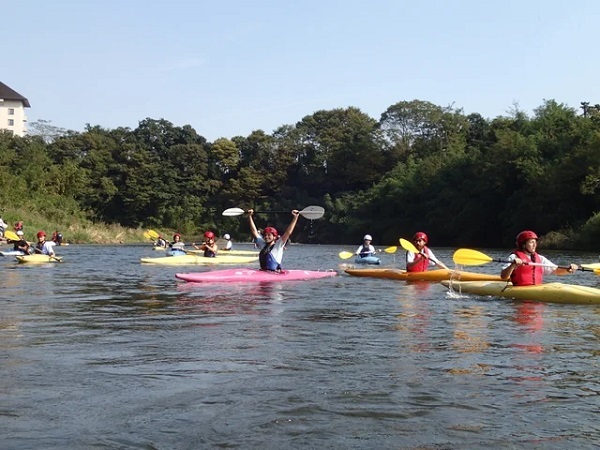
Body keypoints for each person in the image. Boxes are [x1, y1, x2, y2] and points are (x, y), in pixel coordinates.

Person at [500, 230, 578, 285]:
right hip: (519, 290)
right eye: (531, 242)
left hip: (536, 289)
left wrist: (568, 269)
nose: (535, 245)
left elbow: (556, 270)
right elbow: (503, 276)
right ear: (523, 245)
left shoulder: (540, 258)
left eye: (535, 242)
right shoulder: (514, 257)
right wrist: (512, 265)